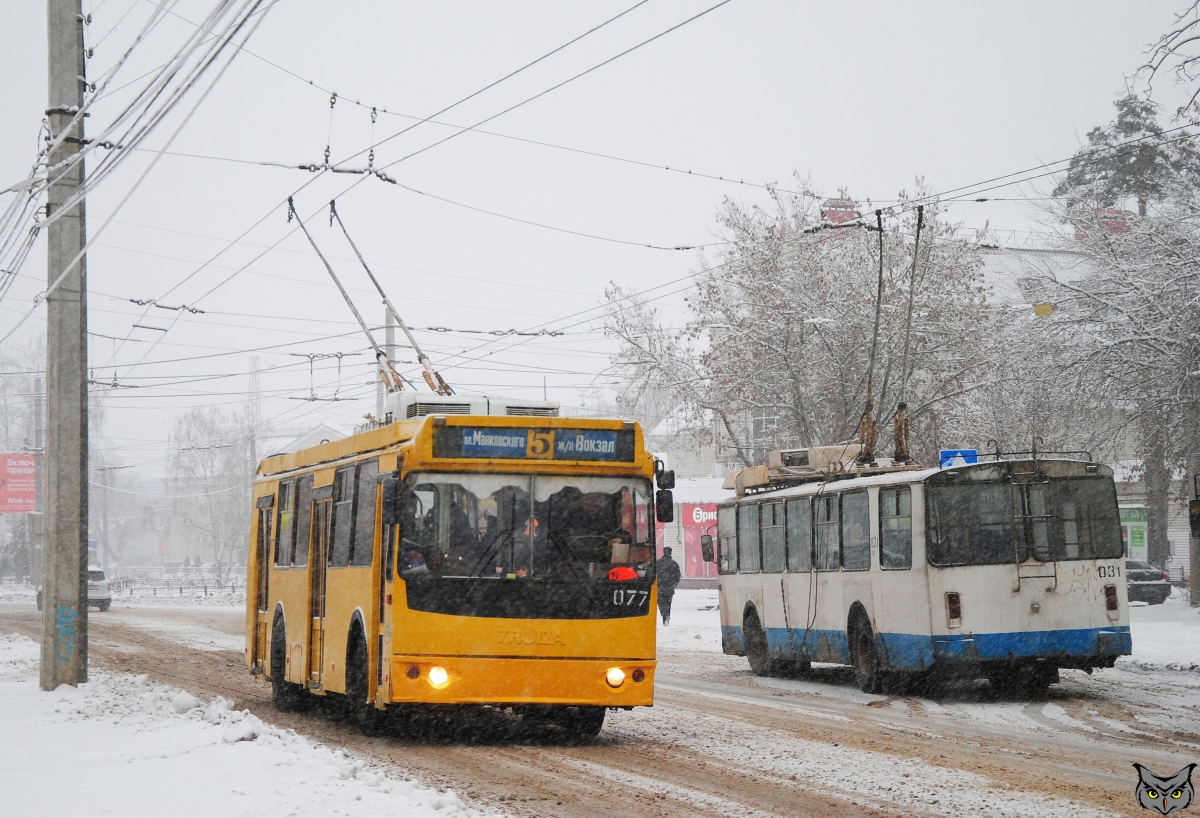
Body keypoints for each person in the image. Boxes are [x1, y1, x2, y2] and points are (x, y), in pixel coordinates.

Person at [656, 546, 682, 625]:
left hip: (660, 587)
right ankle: (666, 616)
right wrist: (673, 585)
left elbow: (654, 574)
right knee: (668, 603)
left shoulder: (658, 563)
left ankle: (664, 615)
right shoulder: (674, 564)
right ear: (671, 553)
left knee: (661, 603)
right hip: (669, 588)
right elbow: (677, 576)